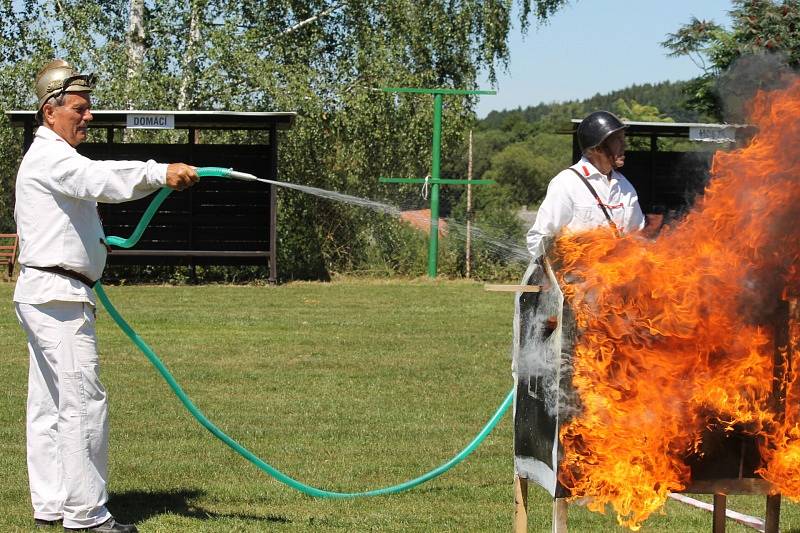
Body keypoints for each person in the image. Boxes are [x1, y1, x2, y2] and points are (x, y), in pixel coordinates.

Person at [13, 59, 198, 532]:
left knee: (52, 405)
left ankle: (53, 503)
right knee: (81, 401)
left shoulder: (50, 156)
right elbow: (100, 180)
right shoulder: (53, 156)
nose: (88, 116)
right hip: (58, 296)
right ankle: (87, 516)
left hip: (49, 292)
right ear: (50, 111)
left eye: (88, 107)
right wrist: (160, 172)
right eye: (80, 108)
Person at [525, 110, 645, 258]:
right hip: (572, 279)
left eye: (623, 139)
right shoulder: (567, 183)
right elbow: (538, 240)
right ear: (597, 148)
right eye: (618, 140)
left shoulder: (626, 187)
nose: (624, 145)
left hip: (614, 277)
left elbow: (637, 236)